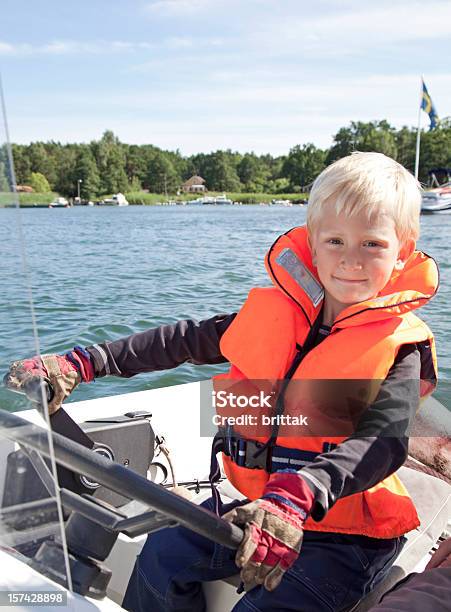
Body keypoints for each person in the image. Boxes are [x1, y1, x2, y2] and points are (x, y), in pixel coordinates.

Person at [5, 152, 439, 612]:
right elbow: (181, 341)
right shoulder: (274, 316)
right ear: (312, 243)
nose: (351, 259)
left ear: (402, 252)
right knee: (161, 555)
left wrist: (297, 495)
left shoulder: (401, 347)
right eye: (335, 240)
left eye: (372, 244)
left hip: (349, 539)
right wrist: (84, 362)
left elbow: (384, 442)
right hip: (258, 509)